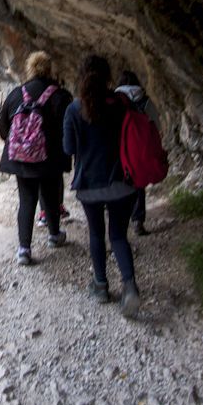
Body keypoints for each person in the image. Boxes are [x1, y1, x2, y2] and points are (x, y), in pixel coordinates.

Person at [62, 55, 141, 317]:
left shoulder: (74, 109)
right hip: (122, 181)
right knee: (118, 235)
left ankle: (101, 285)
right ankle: (130, 287)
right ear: (108, 77)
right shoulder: (122, 103)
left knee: (96, 234)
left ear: (81, 76)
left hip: (89, 184)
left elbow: (68, 148)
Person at [0, 51, 73, 266]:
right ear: (49, 69)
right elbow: (67, 129)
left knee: (26, 200)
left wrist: (22, 145)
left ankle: (24, 250)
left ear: (29, 68)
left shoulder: (16, 94)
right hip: (49, 158)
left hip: (21, 159)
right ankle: (54, 235)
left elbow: (4, 129)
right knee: (50, 197)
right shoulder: (60, 95)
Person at [115, 70, 159, 236]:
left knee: (122, 180)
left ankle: (121, 218)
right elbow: (155, 123)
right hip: (141, 147)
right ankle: (138, 220)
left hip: (120, 147)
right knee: (138, 182)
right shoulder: (145, 100)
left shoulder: (116, 100)